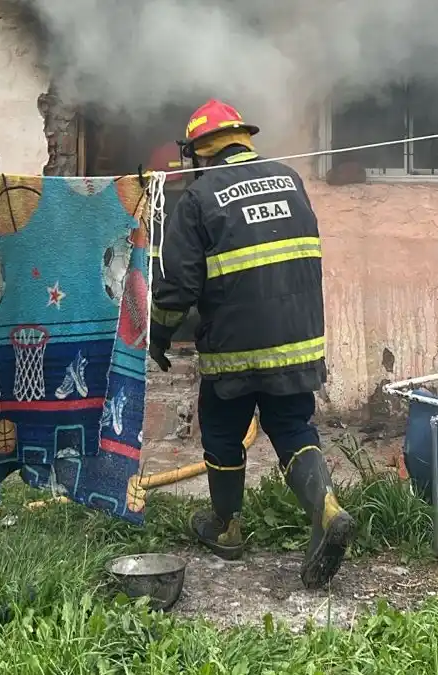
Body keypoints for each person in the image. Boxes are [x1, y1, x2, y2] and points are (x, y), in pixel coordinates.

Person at [148, 99, 355, 589]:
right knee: (291, 427)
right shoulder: (290, 179)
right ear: (243, 140)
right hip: (299, 340)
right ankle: (327, 510)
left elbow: (178, 287)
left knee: (222, 432)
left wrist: (157, 335)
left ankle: (227, 527)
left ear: (200, 150)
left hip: (235, 348)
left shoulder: (199, 198)